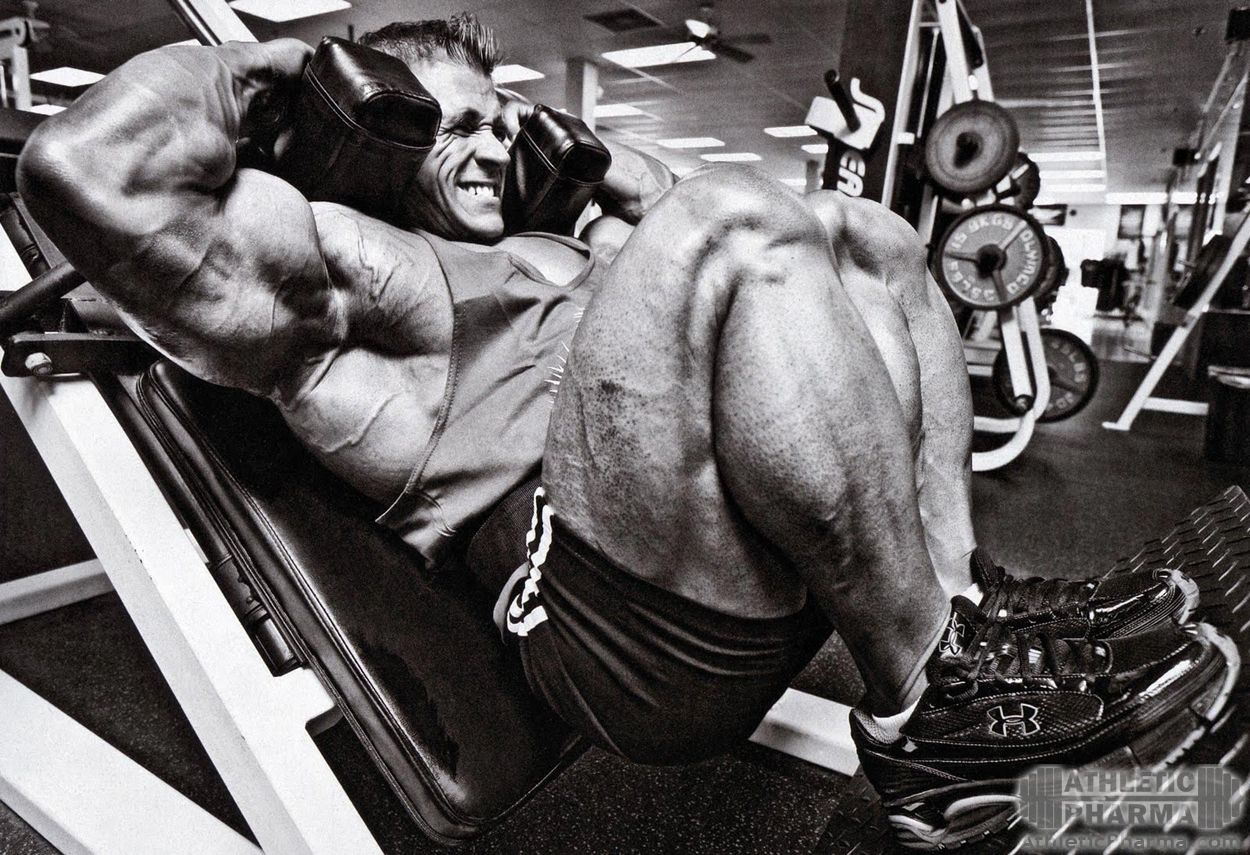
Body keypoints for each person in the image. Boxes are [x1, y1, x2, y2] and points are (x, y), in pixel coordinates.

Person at [15, 14, 1237, 850]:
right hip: (617, 638)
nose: (492, 145)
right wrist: (286, 70)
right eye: (450, 125)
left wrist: (579, 170)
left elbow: (688, 210)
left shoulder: (544, 245)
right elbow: (84, 171)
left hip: (709, 552)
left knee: (861, 233)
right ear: (374, 132)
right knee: (727, 224)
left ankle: (956, 620)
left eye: (501, 122)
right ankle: (936, 716)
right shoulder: (338, 274)